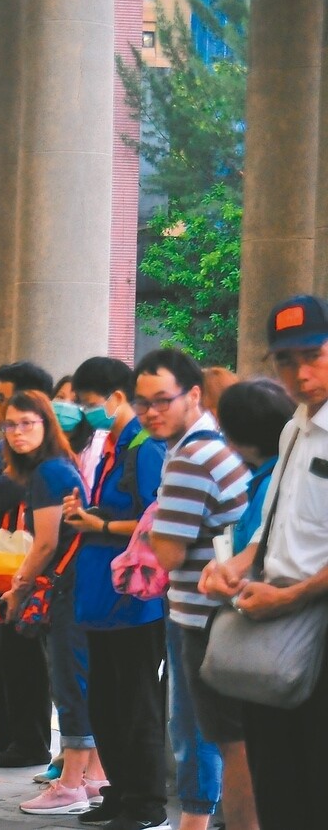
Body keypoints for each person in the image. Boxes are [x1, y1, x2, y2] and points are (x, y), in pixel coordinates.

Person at [199, 294, 328, 829]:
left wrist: (292, 595)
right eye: (285, 360)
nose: (300, 373)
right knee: (278, 785)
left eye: (313, 355)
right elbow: (273, 526)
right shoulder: (295, 426)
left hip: (314, 624)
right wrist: (237, 565)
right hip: (273, 628)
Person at [138, 347, 254, 830]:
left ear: (193, 395)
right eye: (143, 402)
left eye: (162, 400)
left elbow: (167, 554)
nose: (151, 412)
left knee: (199, 728)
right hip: (217, 608)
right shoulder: (208, 445)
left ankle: (195, 820)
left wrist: (155, 530)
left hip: (200, 611)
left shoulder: (191, 456)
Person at [62, 357, 169, 825]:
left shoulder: (144, 448)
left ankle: (145, 801)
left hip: (134, 600)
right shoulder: (112, 447)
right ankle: (120, 791)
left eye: (90, 404)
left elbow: (153, 520)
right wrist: (85, 512)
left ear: (117, 397)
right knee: (104, 700)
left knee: (135, 703)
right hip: (102, 597)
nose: (87, 413)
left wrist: (98, 521)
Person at [0, 390, 106, 815]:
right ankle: (93, 776)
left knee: (69, 681)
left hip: (67, 589)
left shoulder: (48, 473)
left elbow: (46, 544)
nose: (18, 432)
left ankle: (72, 783)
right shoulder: (60, 467)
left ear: (47, 425)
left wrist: (18, 588)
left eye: (28, 423)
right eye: (11, 424)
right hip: (78, 585)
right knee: (79, 679)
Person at [0, 361, 54, 763]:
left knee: (21, 656)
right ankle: (3, 731)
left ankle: (29, 740)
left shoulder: (39, 452)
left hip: (26, 564)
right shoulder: (1, 448)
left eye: (2, 397)